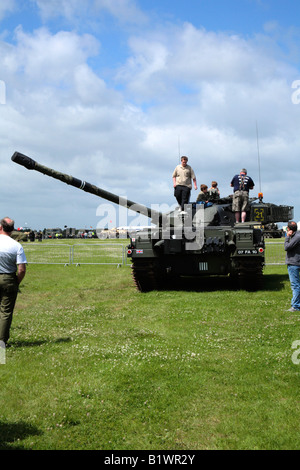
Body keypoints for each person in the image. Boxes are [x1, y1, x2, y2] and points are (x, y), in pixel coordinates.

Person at [0, 217, 27, 346]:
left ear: (0, 227)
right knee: (5, 312)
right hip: (8, 278)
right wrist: (16, 281)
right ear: (12, 229)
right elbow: (21, 269)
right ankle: (1, 342)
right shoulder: (16, 245)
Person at [284, 221, 300, 312]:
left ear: (289, 229)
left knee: (295, 285)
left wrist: (287, 237)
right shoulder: (297, 236)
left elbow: (287, 247)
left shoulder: (296, 237)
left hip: (294, 263)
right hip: (296, 262)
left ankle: (296, 306)